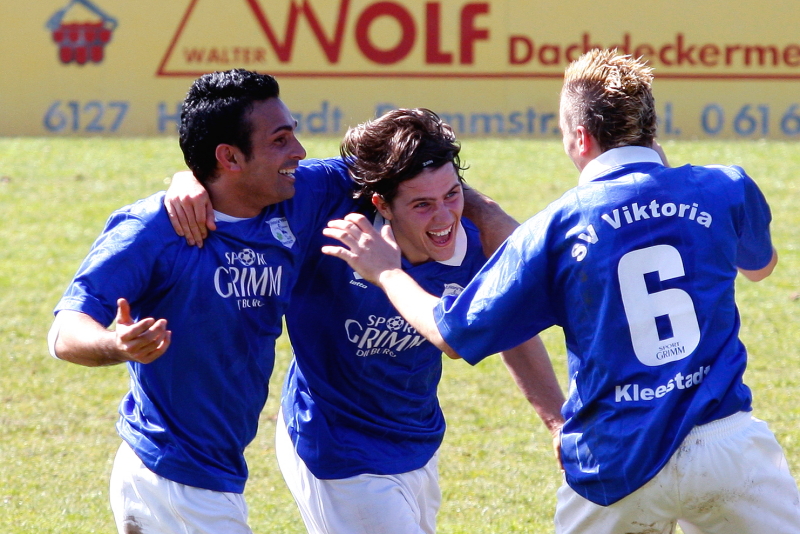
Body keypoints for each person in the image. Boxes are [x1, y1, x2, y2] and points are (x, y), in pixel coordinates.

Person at [321, 49, 800, 534]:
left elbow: (452, 332)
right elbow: (761, 268)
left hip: (615, 460)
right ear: (650, 128)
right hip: (726, 446)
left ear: (580, 136)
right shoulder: (725, 186)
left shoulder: (555, 228)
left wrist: (388, 273)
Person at [166, 108, 565, 534]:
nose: (444, 218)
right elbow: (247, 180)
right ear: (381, 204)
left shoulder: (476, 234)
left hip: (417, 440)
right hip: (335, 446)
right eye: (422, 205)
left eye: (452, 195)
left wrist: (557, 422)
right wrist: (191, 181)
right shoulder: (327, 205)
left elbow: (507, 326)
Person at [47, 69, 354, 534]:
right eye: (280, 140)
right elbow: (64, 331)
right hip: (169, 480)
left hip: (211, 476)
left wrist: (472, 207)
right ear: (229, 156)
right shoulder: (152, 229)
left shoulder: (299, 195)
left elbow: (398, 165)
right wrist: (117, 344)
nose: (299, 151)